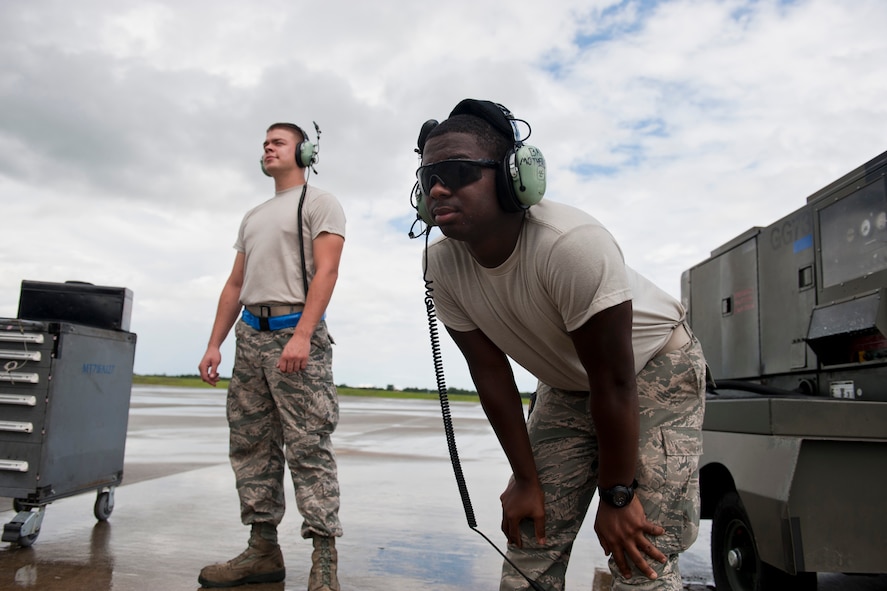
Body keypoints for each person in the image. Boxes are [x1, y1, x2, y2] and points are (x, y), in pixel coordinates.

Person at [412, 99, 706, 591]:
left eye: (459, 172)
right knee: (531, 534)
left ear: (513, 178)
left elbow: (614, 381)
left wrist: (617, 495)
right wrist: (525, 479)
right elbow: (492, 376)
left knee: (639, 549)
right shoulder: (442, 265)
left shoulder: (571, 245)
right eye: (428, 178)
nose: (439, 188)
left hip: (653, 370)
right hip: (567, 384)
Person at [197, 121, 346, 590]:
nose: (267, 148)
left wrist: (303, 334)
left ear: (305, 151)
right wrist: (214, 342)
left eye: (278, 142)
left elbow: (327, 270)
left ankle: (324, 560)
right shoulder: (254, 215)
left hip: (295, 335)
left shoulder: (321, 203)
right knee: (251, 445)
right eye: (264, 143)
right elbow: (236, 284)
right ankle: (262, 549)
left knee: (308, 448)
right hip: (249, 339)